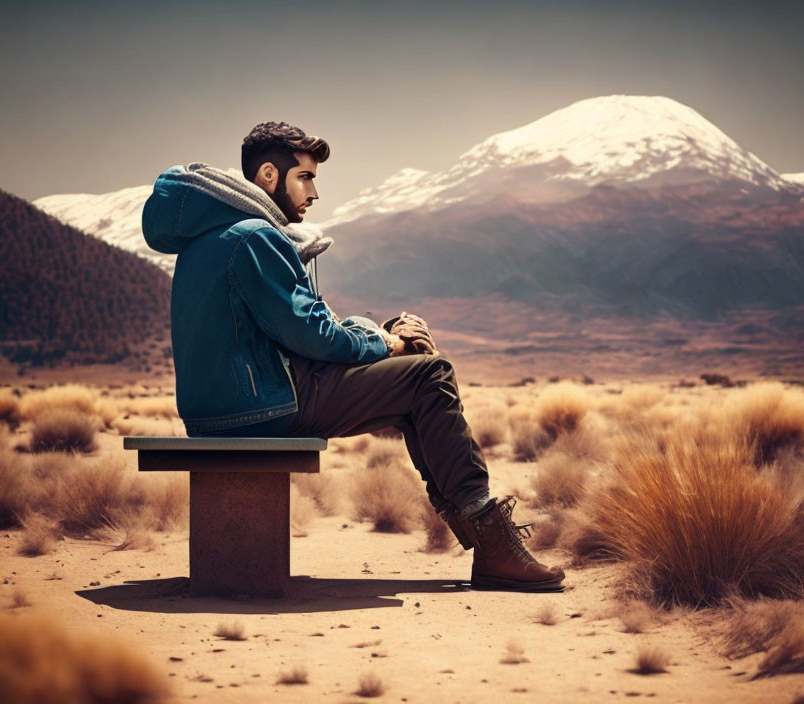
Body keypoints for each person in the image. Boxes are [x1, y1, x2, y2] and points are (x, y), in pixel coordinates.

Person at [142, 121, 564, 591]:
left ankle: (486, 537)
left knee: (412, 380)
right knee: (429, 376)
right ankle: (490, 541)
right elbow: (311, 335)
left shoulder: (209, 239)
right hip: (262, 407)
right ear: (267, 176)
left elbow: (294, 332)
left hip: (220, 411)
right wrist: (387, 344)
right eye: (304, 177)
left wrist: (378, 337)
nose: (314, 191)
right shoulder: (253, 237)